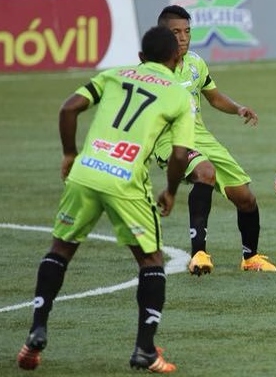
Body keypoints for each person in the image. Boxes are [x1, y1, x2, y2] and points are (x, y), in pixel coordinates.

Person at [16, 26, 196, 373]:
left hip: (86, 172)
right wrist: (171, 190)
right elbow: (179, 153)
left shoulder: (113, 75)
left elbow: (68, 109)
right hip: (125, 180)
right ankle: (145, 349)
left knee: (60, 249)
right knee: (151, 261)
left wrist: (70, 155)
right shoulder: (178, 95)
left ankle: (37, 329)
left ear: (141, 58)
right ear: (177, 59)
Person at [154, 5, 276, 275]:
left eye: (187, 31)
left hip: (201, 137)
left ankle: (250, 257)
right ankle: (199, 253)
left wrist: (238, 108)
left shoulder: (196, 64)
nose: (183, 37)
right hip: (169, 141)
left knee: (245, 197)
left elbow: (213, 96)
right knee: (205, 172)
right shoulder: (151, 71)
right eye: (176, 32)